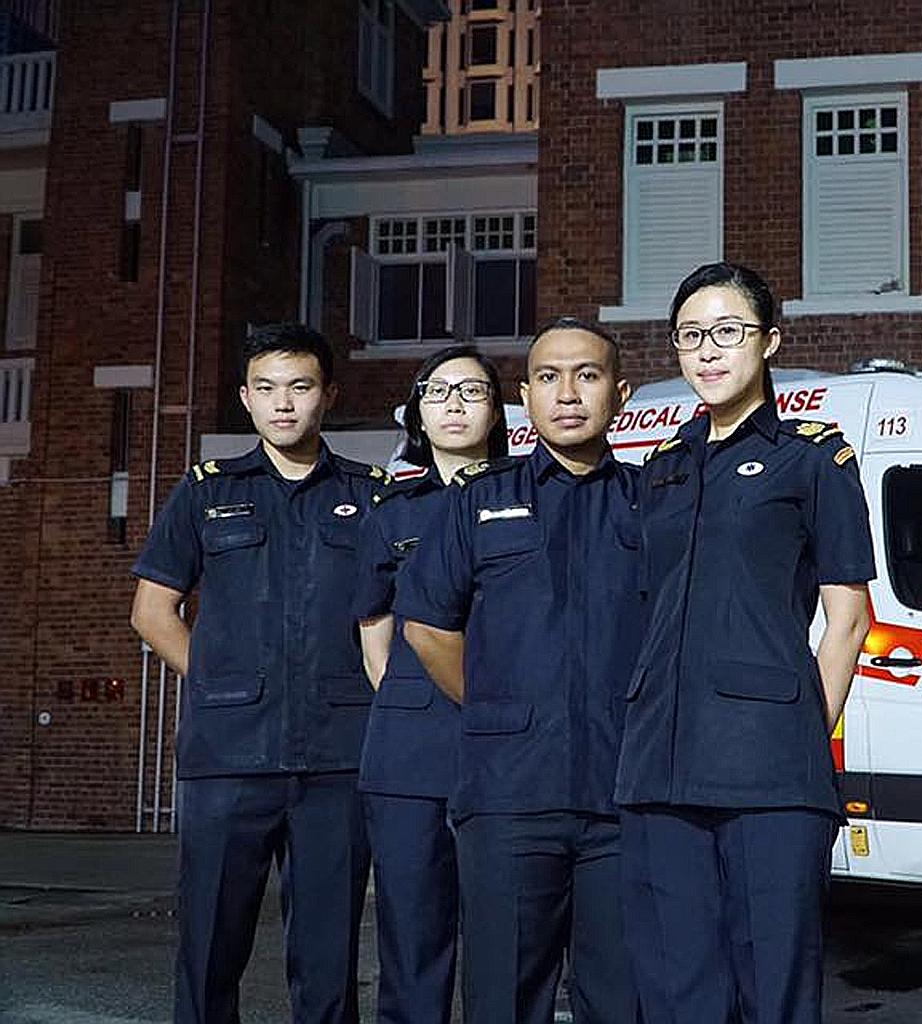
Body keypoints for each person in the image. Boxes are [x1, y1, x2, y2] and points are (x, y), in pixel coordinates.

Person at [616, 262, 875, 1024]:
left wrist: (800, 734)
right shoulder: (661, 470)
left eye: (727, 332)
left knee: (773, 990)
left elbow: (848, 618)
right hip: (659, 770)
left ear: (769, 341)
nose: (708, 351)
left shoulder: (812, 458)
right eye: (691, 336)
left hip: (769, 774)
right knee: (675, 991)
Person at [129, 323, 387, 1024]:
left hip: (338, 759)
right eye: (267, 388)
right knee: (210, 949)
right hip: (228, 760)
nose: (284, 404)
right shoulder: (206, 492)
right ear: (245, 398)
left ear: (328, 395)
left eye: (300, 387)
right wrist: (216, 681)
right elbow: (153, 612)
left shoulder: (371, 497)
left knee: (328, 959)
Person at [395, 318, 642, 1024]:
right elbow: (426, 625)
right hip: (508, 796)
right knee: (503, 997)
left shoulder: (651, 501)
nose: (568, 394)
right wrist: (500, 707)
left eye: (588, 376)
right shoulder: (477, 501)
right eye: (549, 378)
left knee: (624, 999)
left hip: (623, 798)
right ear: (526, 399)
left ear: (618, 394)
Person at [354, 346, 509, 1024]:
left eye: (471, 390)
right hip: (411, 753)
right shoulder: (391, 510)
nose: (453, 403)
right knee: (413, 939)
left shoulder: (527, 493)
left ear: (499, 409)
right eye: (437, 390)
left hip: (512, 749)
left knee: (506, 942)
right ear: (416, 410)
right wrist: (418, 706)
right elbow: (374, 634)